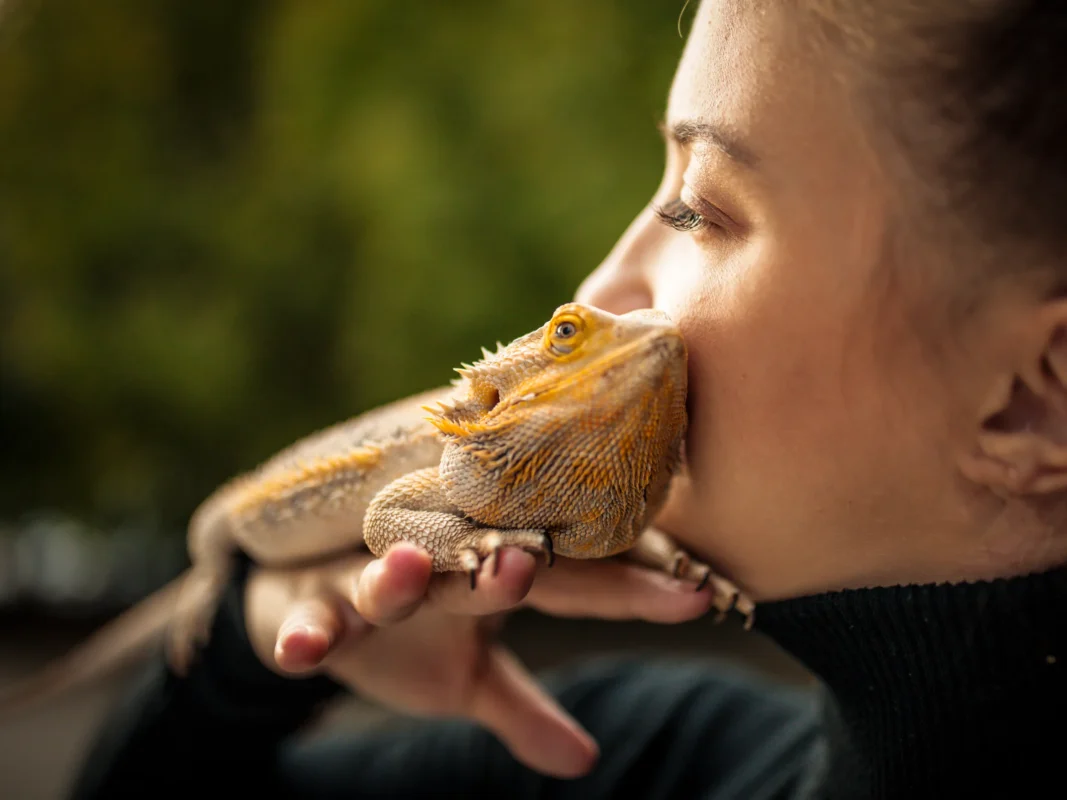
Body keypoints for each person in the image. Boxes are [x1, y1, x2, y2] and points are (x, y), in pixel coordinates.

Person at [68, 1, 1067, 797]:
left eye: (702, 210)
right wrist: (242, 660)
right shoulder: (631, 748)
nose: (602, 290)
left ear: (1036, 400)